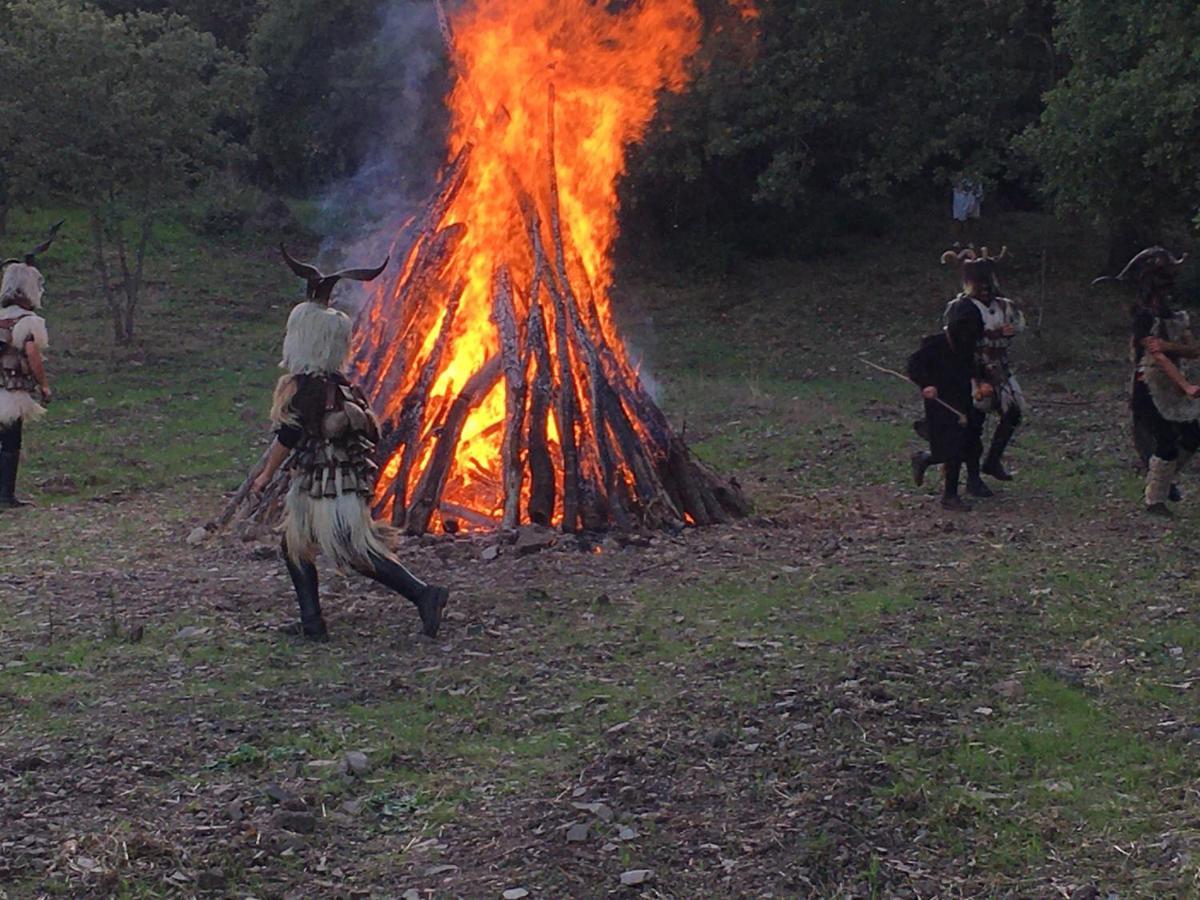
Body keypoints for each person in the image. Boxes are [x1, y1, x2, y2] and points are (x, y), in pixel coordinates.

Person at [250, 246, 449, 640]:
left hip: (330, 487)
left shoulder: (306, 388)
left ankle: (424, 594)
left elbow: (288, 436)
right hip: (328, 484)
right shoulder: (341, 386)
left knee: (352, 551)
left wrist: (264, 476)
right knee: (296, 543)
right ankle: (313, 624)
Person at [1093, 247, 1196, 516]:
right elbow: (1157, 356)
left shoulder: (1177, 317)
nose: (1166, 291)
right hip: (1149, 385)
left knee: (1192, 435)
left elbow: (1192, 350)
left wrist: (1170, 347)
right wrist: (1185, 384)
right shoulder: (1143, 318)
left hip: (1172, 384)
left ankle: (1164, 479)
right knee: (1164, 441)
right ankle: (1155, 499)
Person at [941, 246, 1025, 492]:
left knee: (1013, 412)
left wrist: (1008, 332)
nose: (986, 287)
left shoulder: (1003, 305)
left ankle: (991, 462)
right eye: (981, 281)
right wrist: (977, 377)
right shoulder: (963, 308)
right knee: (973, 424)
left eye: (988, 281)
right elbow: (960, 345)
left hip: (999, 368)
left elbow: (1016, 326)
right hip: (972, 371)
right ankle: (972, 478)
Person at [0, 223, 60, 508]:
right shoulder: (28, 322)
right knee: (10, 445)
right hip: (10, 393)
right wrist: (44, 386)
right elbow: (32, 352)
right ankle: (6, 496)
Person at [907, 299, 986, 511]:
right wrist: (926, 384)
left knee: (968, 444)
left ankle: (924, 459)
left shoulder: (968, 344)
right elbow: (913, 366)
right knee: (953, 447)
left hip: (962, 399)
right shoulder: (934, 345)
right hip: (939, 402)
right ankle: (949, 496)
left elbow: (975, 367)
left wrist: (982, 383)